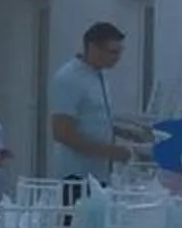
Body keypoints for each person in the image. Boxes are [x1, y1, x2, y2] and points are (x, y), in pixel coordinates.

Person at [48, 22, 141, 185]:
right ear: (93, 48)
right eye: (113, 52)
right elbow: (62, 132)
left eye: (120, 52)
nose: (117, 58)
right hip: (76, 177)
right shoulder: (69, 78)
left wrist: (125, 133)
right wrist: (109, 152)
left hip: (100, 175)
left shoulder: (99, 75)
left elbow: (94, 118)